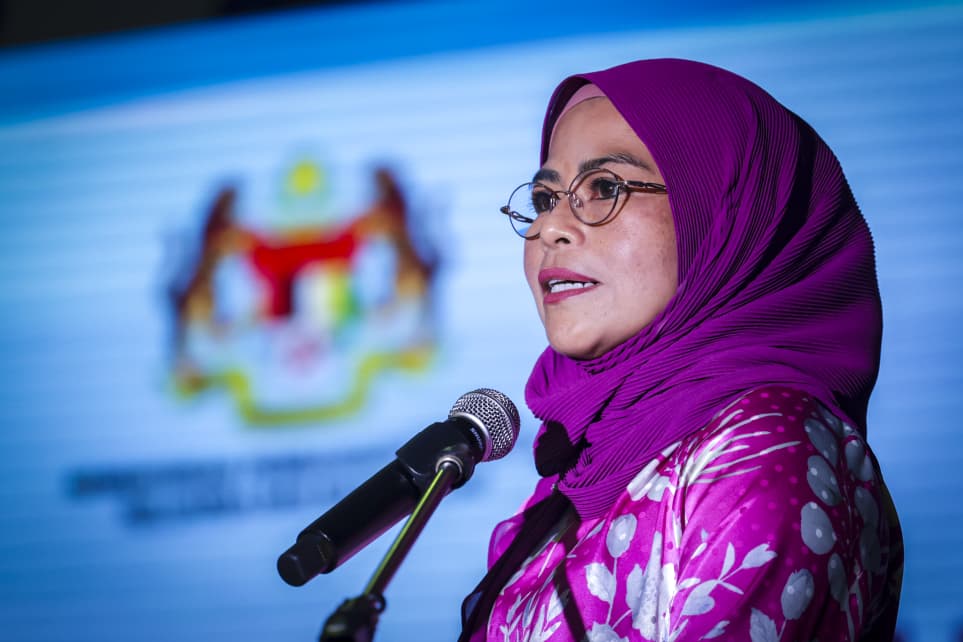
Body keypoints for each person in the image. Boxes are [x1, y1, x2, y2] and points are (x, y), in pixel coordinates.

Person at [459, 59, 903, 641]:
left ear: (723, 213)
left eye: (604, 188)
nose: (550, 228)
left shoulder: (766, 446)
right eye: (544, 199)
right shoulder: (570, 480)